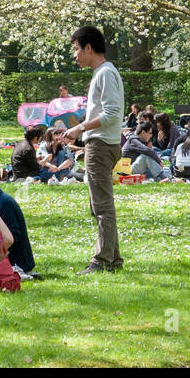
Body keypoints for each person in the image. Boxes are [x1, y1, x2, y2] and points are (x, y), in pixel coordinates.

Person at [63, 25, 124, 274]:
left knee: (102, 206)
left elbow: (110, 114)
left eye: (77, 49)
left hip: (100, 146)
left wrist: (80, 129)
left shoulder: (105, 73)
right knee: (99, 204)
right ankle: (114, 259)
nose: (75, 55)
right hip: (99, 143)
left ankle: (101, 261)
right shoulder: (103, 73)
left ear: (89, 48)